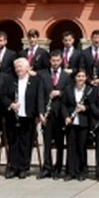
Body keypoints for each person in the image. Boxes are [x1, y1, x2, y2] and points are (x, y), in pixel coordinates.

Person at [1, 58, 43, 179]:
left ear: (27, 68)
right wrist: (11, 104)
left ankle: (24, 167)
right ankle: (13, 167)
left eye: (20, 67)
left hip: (28, 116)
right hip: (13, 116)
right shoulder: (10, 80)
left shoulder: (35, 81)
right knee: (13, 142)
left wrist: (39, 114)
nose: (18, 69)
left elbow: (39, 98)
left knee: (26, 143)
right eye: (16, 67)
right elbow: (3, 96)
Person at [37, 50, 69, 179]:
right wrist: (40, 113)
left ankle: (58, 167)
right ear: (50, 61)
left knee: (60, 143)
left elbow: (69, 93)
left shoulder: (66, 76)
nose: (55, 63)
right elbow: (40, 95)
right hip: (47, 113)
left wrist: (60, 93)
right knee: (47, 142)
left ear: (61, 61)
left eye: (57, 60)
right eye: (53, 60)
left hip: (60, 113)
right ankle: (47, 168)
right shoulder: (43, 75)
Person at [62, 69, 91, 181]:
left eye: (83, 76)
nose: (81, 78)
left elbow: (92, 106)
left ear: (86, 78)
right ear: (75, 78)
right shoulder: (69, 89)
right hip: (71, 122)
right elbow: (63, 105)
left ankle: (82, 171)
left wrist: (85, 108)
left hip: (83, 122)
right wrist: (66, 116)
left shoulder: (89, 90)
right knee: (71, 147)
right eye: (79, 76)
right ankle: (70, 171)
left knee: (81, 147)